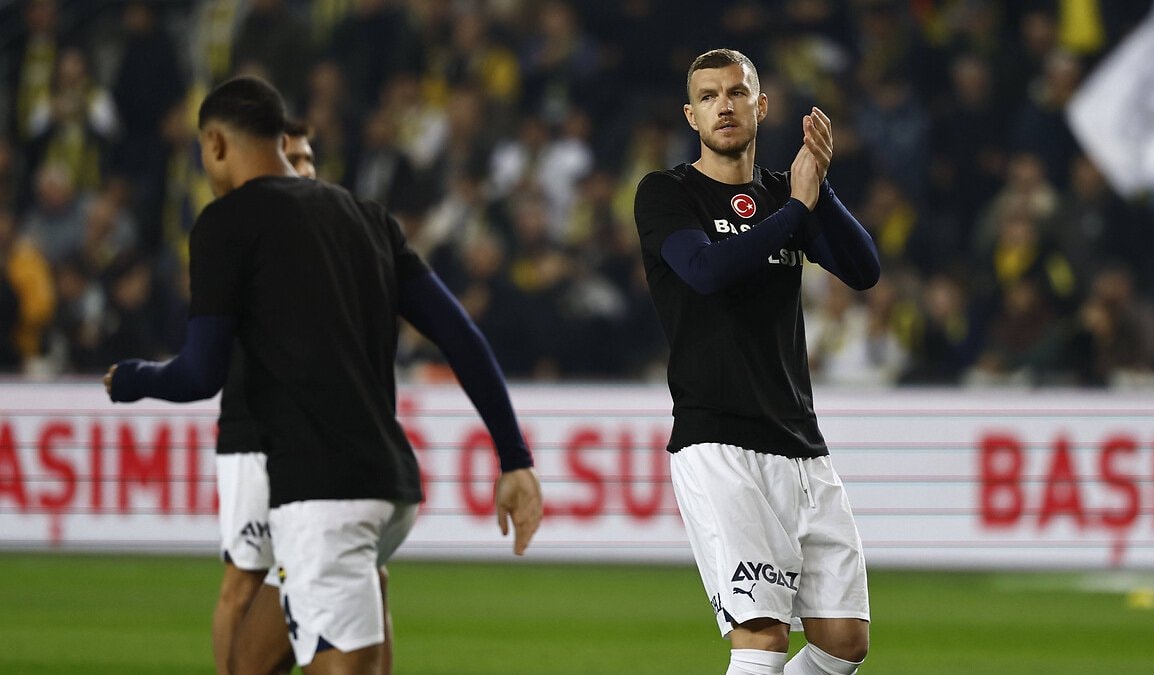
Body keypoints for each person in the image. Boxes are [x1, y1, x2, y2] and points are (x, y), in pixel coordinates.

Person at [105, 76, 543, 674]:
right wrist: (514, 457)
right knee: (250, 662)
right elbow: (460, 334)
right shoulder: (367, 217)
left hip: (322, 496)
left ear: (215, 144)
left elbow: (200, 374)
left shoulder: (225, 223)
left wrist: (132, 379)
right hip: (389, 486)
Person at [633, 49, 879, 675]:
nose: (724, 106)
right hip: (719, 441)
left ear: (761, 105)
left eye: (737, 92)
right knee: (762, 634)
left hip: (799, 440)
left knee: (844, 641)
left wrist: (818, 188)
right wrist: (795, 210)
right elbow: (705, 271)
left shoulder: (780, 193)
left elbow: (863, 270)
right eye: (709, 96)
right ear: (691, 115)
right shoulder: (667, 194)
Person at [207, 117, 324, 675]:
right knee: (244, 581)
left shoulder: (324, 232)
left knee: (341, 573)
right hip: (252, 431)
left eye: (309, 159)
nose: (305, 170)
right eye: (293, 159)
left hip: (310, 433)